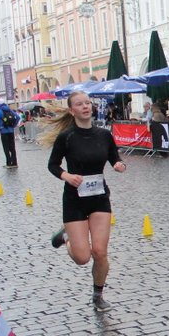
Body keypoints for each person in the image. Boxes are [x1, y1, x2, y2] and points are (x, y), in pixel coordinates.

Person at [44, 90, 126, 310]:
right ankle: (66, 237)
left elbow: (115, 158)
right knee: (82, 257)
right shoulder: (67, 137)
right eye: (79, 104)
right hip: (74, 200)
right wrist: (67, 176)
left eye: (87, 103)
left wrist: (119, 165)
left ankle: (98, 295)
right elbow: (52, 165)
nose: (85, 107)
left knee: (99, 251)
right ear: (72, 110)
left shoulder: (104, 135)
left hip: (99, 198)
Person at [0, 101, 20, 167]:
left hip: (4, 131)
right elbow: (18, 117)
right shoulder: (9, 109)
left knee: (6, 148)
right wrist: (13, 125)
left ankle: (8, 163)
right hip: (11, 131)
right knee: (12, 147)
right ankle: (14, 163)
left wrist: (0, 127)